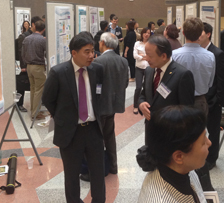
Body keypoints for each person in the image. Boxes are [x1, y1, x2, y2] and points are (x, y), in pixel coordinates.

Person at [42, 33, 105, 203]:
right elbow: (47, 99)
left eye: (93, 51)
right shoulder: (58, 73)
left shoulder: (97, 70)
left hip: (93, 130)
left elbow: (100, 94)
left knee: (98, 173)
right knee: (71, 175)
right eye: (87, 52)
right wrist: (63, 117)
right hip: (71, 132)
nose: (92, 55)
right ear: (74, 53)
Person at [137, 105, 212, 202]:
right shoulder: (160, 199)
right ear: (179, 156)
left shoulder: (184, 169)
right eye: (203, 142)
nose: (209, 143)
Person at [138, 34, 195, 144]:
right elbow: (143, 95)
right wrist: (141, 104)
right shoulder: (149, 70)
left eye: (150, 55)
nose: (146, 58)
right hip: (150, 131)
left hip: (171, 135)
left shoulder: (182, 75)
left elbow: (187, 111)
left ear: (163, 56)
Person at [94, 32, 129, 175]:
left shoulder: (98, 62)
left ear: (102, 43)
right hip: (114, 105)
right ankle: (113, 166)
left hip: (100, 105)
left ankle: (100, 169)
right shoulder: (123, 61)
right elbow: (125, 83)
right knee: (109, 136)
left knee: (97, 138)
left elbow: (95, 86)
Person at [199, 22, 224, 170]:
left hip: (212, 100)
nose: (198, 36)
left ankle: (212, 159)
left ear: (208, 34)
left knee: (213, 131)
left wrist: (218, 101)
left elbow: (223, 80)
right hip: (199, 100)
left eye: (201, 33)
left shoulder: (217, 53)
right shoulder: (198, 51)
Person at [172, 17, 216, 114]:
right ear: (200, 34)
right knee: (199, 129)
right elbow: (210, 83)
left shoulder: (174, 55)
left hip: (178, 102)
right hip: (199, 101)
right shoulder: (210, 56)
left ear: (183, 33)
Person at [21, 19, 46, 120]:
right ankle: (35, 113)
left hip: (29, 66)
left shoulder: (26, 39)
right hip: (38, 66)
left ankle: (33, 110)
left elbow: (22, 54)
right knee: (39, 90)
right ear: (43, 29)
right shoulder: (43, 40)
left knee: (33, 88)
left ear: (34, 27)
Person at [133, 27, 150, 114]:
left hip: (148, 68)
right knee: (138, 87)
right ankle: (135, 105)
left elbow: (150, 56)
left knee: (147, 87)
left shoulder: (151, 44)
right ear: (142, 33)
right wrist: (143, 56)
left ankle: (146, 104)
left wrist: (142, 55)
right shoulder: (137, 43)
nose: (146, 34)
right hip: (139, 68)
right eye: (145, 33)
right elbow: (135, 55)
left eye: (148, 33)